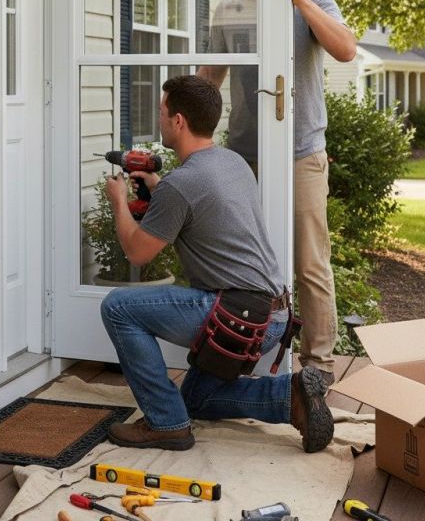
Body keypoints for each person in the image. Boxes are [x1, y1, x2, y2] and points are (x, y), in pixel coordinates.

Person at [101, 75, 333, 453]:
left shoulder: (182, 184)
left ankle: (165, 424)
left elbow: (137, 253)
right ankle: (289, 396)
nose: (159, 119)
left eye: (162, 112)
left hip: (236, 318)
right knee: (197, 398)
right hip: (271, 315)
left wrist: (117, 200)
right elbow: (200, 208)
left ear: (178, 121)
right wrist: (159, 187)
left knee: (117, 308)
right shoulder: (231, 162)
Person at [198, 0, 356, 387]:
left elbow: (346, 49)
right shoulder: (229, 11)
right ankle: (241, 358)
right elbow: (210, 80)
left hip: (300, 152)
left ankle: (319, 370)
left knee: (309, 262)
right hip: (245, 155)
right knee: (243, 262)